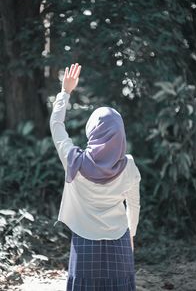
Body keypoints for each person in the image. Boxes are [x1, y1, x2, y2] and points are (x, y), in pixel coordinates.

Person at [49, 63, 141, 291]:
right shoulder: (128, 165)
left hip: (84, 241)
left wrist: (65, 92)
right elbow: (135, 205)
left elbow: (56, 124)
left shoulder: (74, 160)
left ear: (92, 132)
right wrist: (131, 234)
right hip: (119, 240)